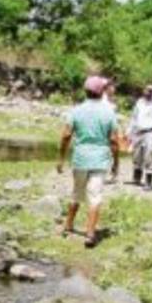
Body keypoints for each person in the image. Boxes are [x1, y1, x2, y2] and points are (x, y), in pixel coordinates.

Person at [57, 75, 121, 249]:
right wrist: (116, 163)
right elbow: (114, 141)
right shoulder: (109, 112)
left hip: (80, 158)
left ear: (85, 91)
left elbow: (66, 136)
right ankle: (90, 234)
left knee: (77, 192)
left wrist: (61, 158)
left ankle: (68, 226)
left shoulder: (76, 111)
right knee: (95, 196)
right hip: (100, 160)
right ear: (102, 92)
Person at [127, 84, 152, 190]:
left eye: (149, 91)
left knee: (149, 155)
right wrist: (129, 132)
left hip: (150, 132)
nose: (147, 92)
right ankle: (137, 178)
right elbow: (134, 118)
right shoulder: (139, 102)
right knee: (136, 155)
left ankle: (148, 182)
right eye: (146, 90)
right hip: (138, 131)